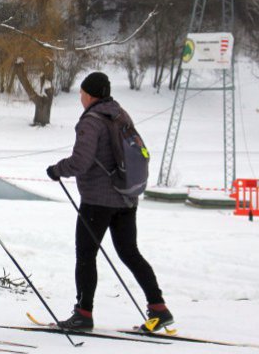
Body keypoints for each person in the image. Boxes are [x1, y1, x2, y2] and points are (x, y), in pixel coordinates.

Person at [45, 71, 173, 332]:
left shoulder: (91, 121)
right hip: (126, 197)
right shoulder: (120, 114)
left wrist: (57, 170)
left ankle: (83, 314)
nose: (80, 97)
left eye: (81, 93)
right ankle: (159, 308)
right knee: (129, 252)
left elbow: (81, 161)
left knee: (86, 255)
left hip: (98, 200)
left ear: (89, 95)